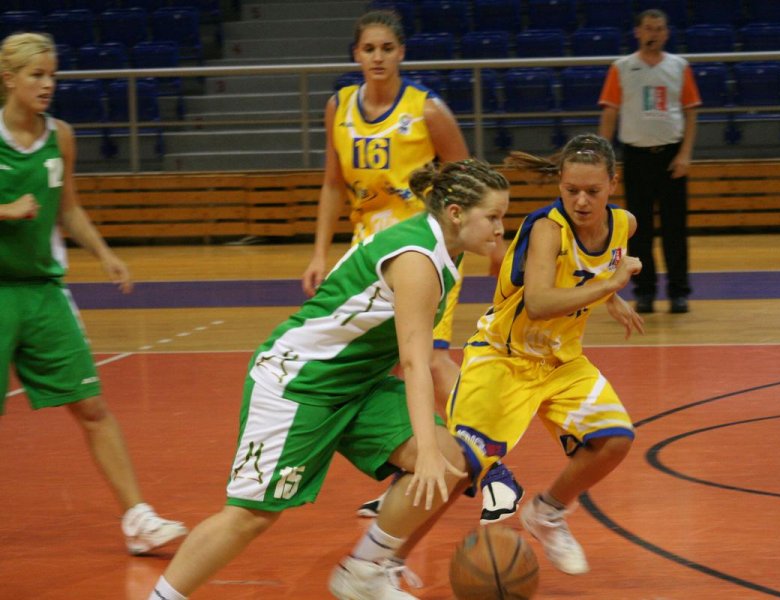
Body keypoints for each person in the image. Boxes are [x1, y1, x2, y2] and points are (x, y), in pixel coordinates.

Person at [148, 159, 510, 600]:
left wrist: (432, 451)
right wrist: (426, 450)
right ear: (455, 213)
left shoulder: (442, 249)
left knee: (451, 458)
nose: (500, 229)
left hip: (358, 384)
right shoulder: (417, 259)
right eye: (493, 217)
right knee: (250, 516)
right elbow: (416, 363)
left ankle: (362, 573)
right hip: (300, 384)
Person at [300, 9, 518, 524]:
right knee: (381, 366)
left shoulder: (428, 110)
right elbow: (332, 183)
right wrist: (319, 253)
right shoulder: (338, 106)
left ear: (401, 53)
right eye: (368, 49)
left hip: (426, 251)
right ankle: (414, 467)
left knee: (432, 361)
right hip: (368, 257)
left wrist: (494, 245)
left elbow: (471, 179)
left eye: (386, 48)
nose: (377, 57)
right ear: (356, 54)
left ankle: (491, 466)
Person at [0, 32, 187, 554]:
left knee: (91, 405)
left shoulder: (61, 136)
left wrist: (104, 253)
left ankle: (137, 519)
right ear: (9, 78)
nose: (47, 84)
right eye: (37, 75)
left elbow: (70, 207)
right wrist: (6, 210)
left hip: (42, 290)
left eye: (52, 75)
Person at [442, 134, 644, 575]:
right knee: (460, 467)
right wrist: (610, 286)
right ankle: (381, 554)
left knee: (614, 439)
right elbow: (537, 302)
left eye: (593, 191)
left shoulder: (624, 224)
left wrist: (611, 297)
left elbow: (601, 262)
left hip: (561, 361)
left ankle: (548, 512)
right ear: (560, 185)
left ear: (613, 183)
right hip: (504, 358)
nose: (582, 201)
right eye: (572, 190)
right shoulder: (548, 230)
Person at [599, 8, 701, 314]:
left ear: (666, 33)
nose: (653, 33)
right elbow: (610, 113)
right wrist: (603, 157)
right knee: (639, 230)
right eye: (648, 28)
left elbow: (691, 112)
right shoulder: (621, 67)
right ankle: (644, 292)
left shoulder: (679, 66)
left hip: (671, 156)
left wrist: (685, 154)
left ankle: (679, 292)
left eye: (658, 29)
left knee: (675, 229)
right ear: (638, 32)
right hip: (636, 156)